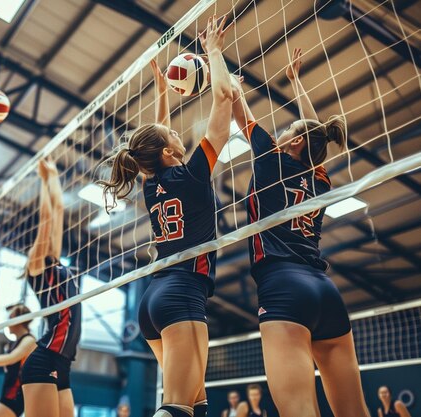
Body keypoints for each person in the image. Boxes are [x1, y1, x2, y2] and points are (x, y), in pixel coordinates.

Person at [99, 15, 234, 417]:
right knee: (176, 407)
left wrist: (162, 92)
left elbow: (157, 139)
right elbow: (224, 99)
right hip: (183, 295)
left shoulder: (151, 182)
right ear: (169, 152)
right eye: (173, 136)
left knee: (196, 406)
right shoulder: (191, 174)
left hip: (154, 300)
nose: (178, 134)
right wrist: (213, 51)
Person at [231, 47, 369, 417]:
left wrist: (229, 81)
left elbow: (238, 111)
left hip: (283, 287)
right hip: (325, 291)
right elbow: (314, 137)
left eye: (288, 131)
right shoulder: (319, 179)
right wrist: (295, 83)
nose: (281, 133)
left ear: (293, 143)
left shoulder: (269, 159)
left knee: (299, 411)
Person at [20, 159, 82, 417]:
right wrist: (43, 182)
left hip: (63, 361)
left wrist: (53, 177)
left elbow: (58, 210)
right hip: (45, 357)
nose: (48, 240)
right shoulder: (36, 270)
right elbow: (46, 218)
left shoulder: (54, 263)